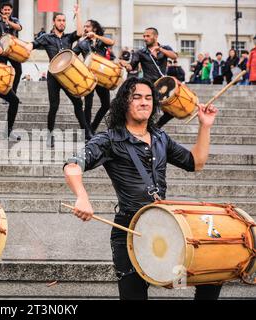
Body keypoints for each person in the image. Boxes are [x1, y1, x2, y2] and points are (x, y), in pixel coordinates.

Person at [63, 77, 221, 300]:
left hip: (166, 228)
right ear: (124, 103)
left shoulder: (160, 138)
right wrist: (82, 197)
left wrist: (205, 125)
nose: (144, 102)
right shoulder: (109, 139)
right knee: (134, 296)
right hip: (130, 231)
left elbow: (196, 162)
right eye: (136, 97)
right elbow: (72, 165)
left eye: (149, 98)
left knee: (208, 275)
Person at [25, 4, 92, 148]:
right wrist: (28, 47)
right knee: (54, 106)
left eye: (64, 20)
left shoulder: (69, 37)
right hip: (54, 76)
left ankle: (86, 134)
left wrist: (78, 14)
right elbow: (33, 43)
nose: (62, 22)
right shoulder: (46, 37)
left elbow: (80, 32)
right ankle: (50, 135)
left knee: (78, 104)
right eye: (59, 20)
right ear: (54, 22)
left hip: (69, 75)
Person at [119, 27, 178, 129]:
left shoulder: (165, 48)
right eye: (144, 36)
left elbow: (174, 56)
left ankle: (155, 128)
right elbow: (131, 67)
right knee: (150, 111)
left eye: (148, 36)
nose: (145, 38)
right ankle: (148, 130)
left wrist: (160, 49)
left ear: (155, 37)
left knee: (172, 111)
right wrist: (125, 64)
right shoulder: (140, 52)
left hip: (164, 86)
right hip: (149, 85)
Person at [73, 19, 115, 134]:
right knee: (88, 105)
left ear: (94, 28)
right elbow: (72, 55)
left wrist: (96, 36)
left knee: (106, 105)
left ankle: (92, 127)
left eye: (88, 26)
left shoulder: (101, 40)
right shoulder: (82, 43)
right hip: (89, 77)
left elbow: (112, 42)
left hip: (102, 77)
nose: (85, 28)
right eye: (84, 26)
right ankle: (87, 133)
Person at [0, 2, 23, 95]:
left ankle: (13, 92)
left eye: (8, 10)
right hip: (1, 51)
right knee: (3, 72)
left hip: (13, 50)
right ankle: (4, 92)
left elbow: (19, 28)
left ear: (11, 11)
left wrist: (8, 21)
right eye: (5, 10)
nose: (7, 11)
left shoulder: (14, 20)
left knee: (19, 71)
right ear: (1, 10)